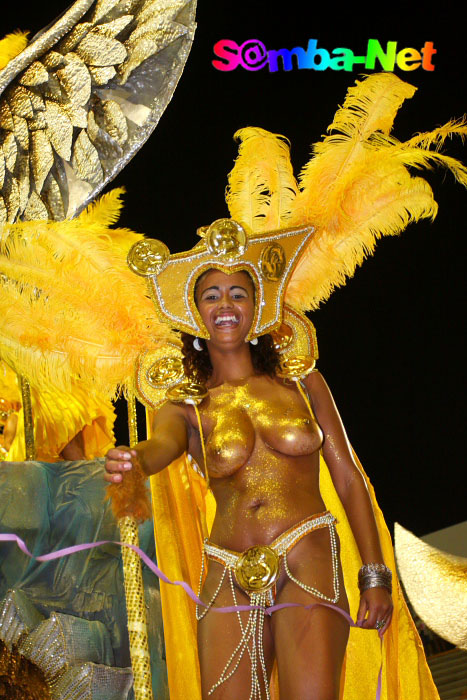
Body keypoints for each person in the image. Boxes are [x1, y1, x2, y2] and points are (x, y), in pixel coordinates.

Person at [104, 222, 394, 700]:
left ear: (257, 306)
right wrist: (134, 460)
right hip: (226, 567)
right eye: (212, 296)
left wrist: (374, 575)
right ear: (195, 313)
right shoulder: (183, 406)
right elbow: (162, 448)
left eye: (237, 293)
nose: (225, 306)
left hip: (308, 553)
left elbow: (348, 476)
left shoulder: (303, 383)